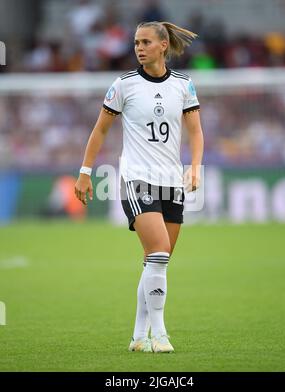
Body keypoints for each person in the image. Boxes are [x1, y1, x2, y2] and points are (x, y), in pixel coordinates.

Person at [75, 21, 204, 353]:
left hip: (170, 181)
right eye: (135, 43)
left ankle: (137, 337)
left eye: (145, 42)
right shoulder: (123, 85)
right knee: (159, 252)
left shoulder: (184, 85)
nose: (139, 48)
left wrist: (194, 168)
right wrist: (85, 171)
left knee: (156, 261)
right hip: (136, 179)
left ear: (163, 46)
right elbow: (100, 130)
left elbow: (196, 132)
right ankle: (160, 335)